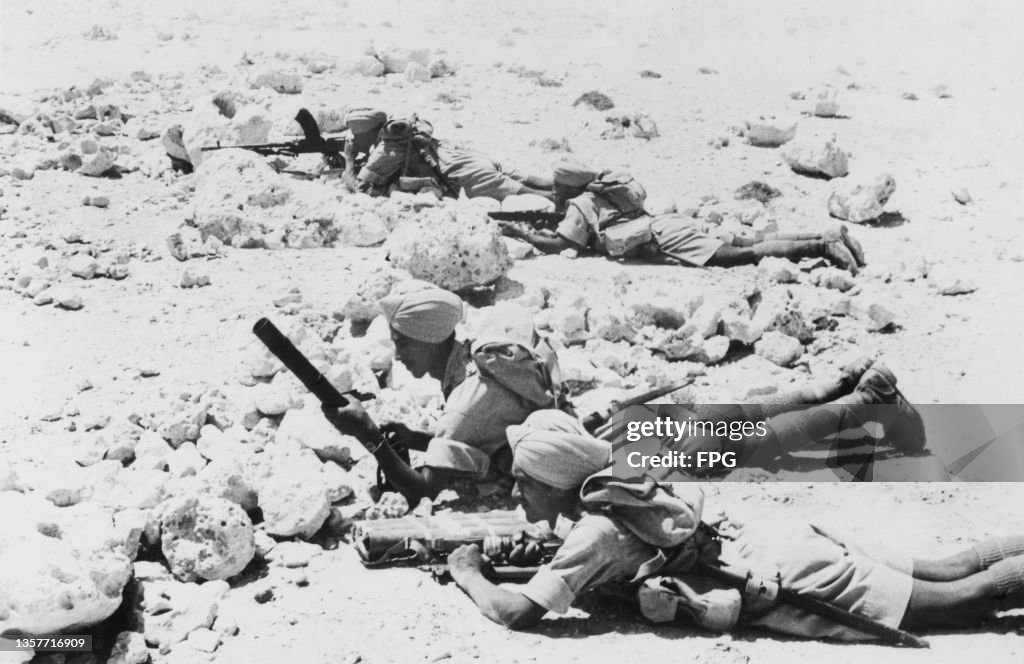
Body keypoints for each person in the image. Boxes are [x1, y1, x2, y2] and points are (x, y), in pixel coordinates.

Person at [447, 411, 1024, 638]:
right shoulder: (619, 487)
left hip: (780, 572)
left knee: (962, 603)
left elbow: (520, 614)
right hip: (768, 542)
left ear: (553, 484)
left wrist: (469, 573)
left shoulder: (594, 532)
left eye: (524, 481)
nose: (517, 490)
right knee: (949, 567)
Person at [321, 281, 563, 503]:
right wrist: (415, 439)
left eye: (403, 343)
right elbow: (469, 434)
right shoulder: (464, 360)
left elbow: (423, 492)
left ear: (431, 340)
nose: (397, 355)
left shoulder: (466, 399)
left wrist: (367, 432)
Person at [500, 161, 865, 275]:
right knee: (745, 240)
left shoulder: (581, 204)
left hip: (665, 236)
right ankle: (827, 234)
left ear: (565, 187)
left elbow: (561, 245)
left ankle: (823, 245)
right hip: (669, 221)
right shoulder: (600, 191)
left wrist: (523, 234)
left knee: (738, 256)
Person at [611, 357, 929, 481]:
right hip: (638, 426)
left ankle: (866, 400)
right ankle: (842, 387)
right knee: (713, 419)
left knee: (734, 443)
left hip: (635, 451)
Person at [356, 115, 554, 201]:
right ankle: (573, 185)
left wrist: (349, 160)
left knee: (530, 194)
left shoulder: (386, 151)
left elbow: (360, 187)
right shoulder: (408, 132)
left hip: (464, 173)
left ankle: (560, 201)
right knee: (533, 180)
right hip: (469, 157)